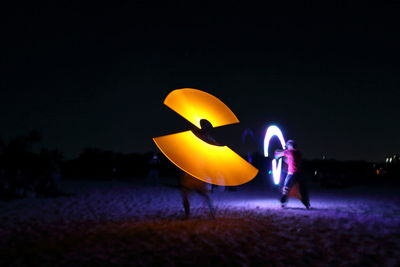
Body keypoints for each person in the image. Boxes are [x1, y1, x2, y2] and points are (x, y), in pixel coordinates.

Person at [274, 140, 310, 209]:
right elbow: (293, 161)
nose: (286, 147)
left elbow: (277, 155)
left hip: (291, 173)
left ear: (289, 145)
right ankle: (306, 203)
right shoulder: (298, 153)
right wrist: (286, 160)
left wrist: (276, 152)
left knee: (286, 188)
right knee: (300, 190)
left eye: (287, 145)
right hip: (299, 174)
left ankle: (283, 203)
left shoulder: (288, 151)